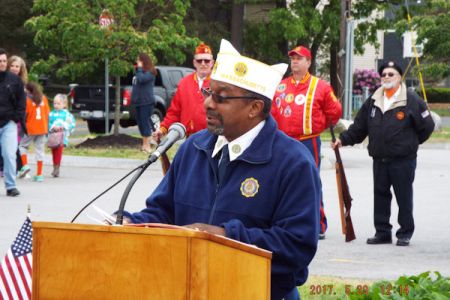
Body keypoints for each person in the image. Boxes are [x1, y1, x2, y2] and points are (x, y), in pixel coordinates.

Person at [120, 39, 321, 300]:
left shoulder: (293, 162)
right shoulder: (194, 148)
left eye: (221, 97)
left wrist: (224, 237)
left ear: (254, 108)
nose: (208, 104)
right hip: (189, 289)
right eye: (208, 93)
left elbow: (297, 245)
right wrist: (129, 223)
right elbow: (163, 212)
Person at [331, 61, 434, 247]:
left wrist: (410, 144)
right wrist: (343, 139)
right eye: (384, 74)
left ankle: (404, 233)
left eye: (391, 74)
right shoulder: (373, 100)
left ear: (399, 77)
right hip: (379, 158)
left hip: (403, 160)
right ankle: (382, 232)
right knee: (380, 196)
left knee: (403, 197)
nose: (386, 77)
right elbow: (360, 126)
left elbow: (427, 127)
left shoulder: (411, 100)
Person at [271, 45, 342, 239]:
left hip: (308, 142)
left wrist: (318, 125)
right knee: (281, 182)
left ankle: (318, 224)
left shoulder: (321, 86)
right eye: (292, 58)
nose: (295, 61)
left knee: (310, 182)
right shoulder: (281, 86)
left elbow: (334, 112)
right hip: (283, 141)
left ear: (309, 62)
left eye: (299, 58)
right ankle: (283, 221)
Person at [152, 42, 214, 142]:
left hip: (212, 138)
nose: (203, 63)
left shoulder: (218, 83)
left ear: (212, 63)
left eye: (206, 61)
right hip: (190, 139)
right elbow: (174, 112)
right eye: (199, 60)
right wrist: (162, 129)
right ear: (194, 63)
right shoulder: (184, 83)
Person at [0, 48, 26, 196]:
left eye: (4, 61)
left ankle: (11, 186)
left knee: (9, 154)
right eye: (0, 62)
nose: (2, 64)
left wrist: (16, 117)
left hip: (9, 123)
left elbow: (22, 103)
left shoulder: (14, 80)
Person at [18, 82, 50, 182]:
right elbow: (47, 112)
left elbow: (24, 114)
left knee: (22, 146)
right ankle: (39, 174)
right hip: (42, 127)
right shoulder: (43, 98)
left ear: (28, 90)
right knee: (40, 150)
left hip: (31, 128)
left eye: (25, 88)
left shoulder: (27, 99)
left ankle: (25, 165)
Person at [131, 53, 157, 153]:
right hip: (138, 101)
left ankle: (147, 146)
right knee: (140, 123)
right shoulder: (139, 72)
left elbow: (142, 80)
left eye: (139, 60)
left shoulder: (150, 72)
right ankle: (145, 144)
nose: (137, 62)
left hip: (146, 101)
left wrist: (140, 69)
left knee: (145, 122)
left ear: (144, 61)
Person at [48, 93, 76, 177]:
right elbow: (47, 122)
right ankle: (54, 166)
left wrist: (63, 127)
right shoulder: (51, 114)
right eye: (55, 103)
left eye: (58, 103)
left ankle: (57, 168)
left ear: (64, 104)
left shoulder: (67, 114)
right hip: (53, 136)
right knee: (53, 151)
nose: (56, 105)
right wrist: (52, 127)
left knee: (59, 151)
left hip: (62, 136)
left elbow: (71, 123)